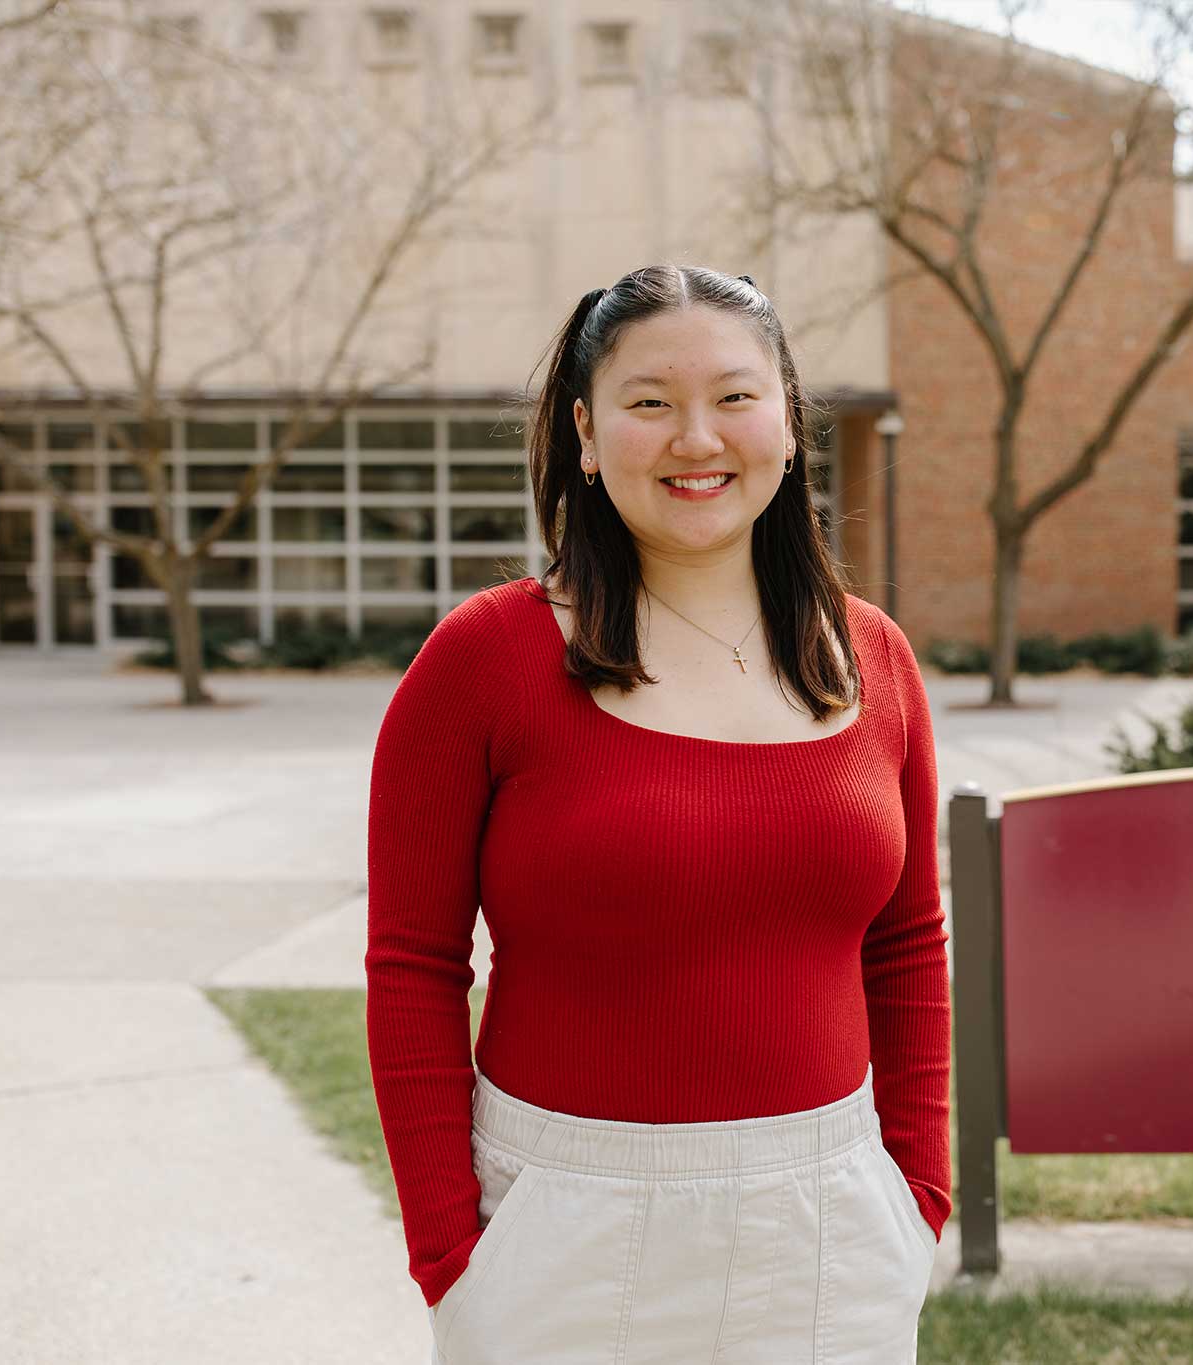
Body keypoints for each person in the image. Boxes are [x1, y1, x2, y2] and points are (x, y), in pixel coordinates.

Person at [364, 265, 951, 1363]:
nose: (697, 438)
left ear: (785, 419)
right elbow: (411, 964)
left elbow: (908, 946)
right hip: (564, 1230)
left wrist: (915, 1193)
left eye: (734, 396)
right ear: (585, 435)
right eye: (649, 403)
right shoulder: (485, 660)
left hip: (832, 1226)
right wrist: (453, 1255)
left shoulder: (872, 656)